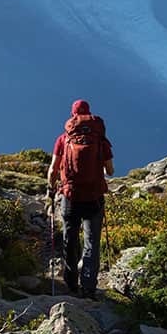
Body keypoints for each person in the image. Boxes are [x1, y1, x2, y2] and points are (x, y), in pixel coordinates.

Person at [48, 99, 114, 299]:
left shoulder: (63, 139)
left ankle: (70, 283)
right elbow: (110, 171)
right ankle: (89, 287)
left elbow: (53, 169)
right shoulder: (101, 140)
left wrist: (51, 188)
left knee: (70, 239)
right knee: (92, 242)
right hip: (94, 197)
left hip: (70, 197)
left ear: (73, 115)